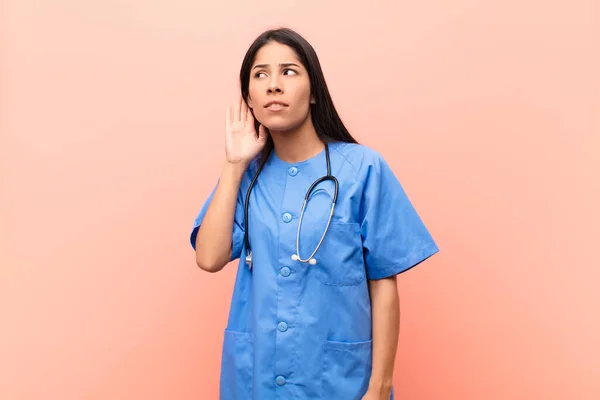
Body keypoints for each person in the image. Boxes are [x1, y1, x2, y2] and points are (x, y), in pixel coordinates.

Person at [190, 27, 439, 400]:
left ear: (313, 93)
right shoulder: (247, 177)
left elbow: (383, 282)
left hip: (337, 381)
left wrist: (380, 386)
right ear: (249, 99)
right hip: (257, 379)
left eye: (289, 72)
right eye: (261, 75)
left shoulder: (362, 169)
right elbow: (209, 258)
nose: (274, 85)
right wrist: (233, 163)